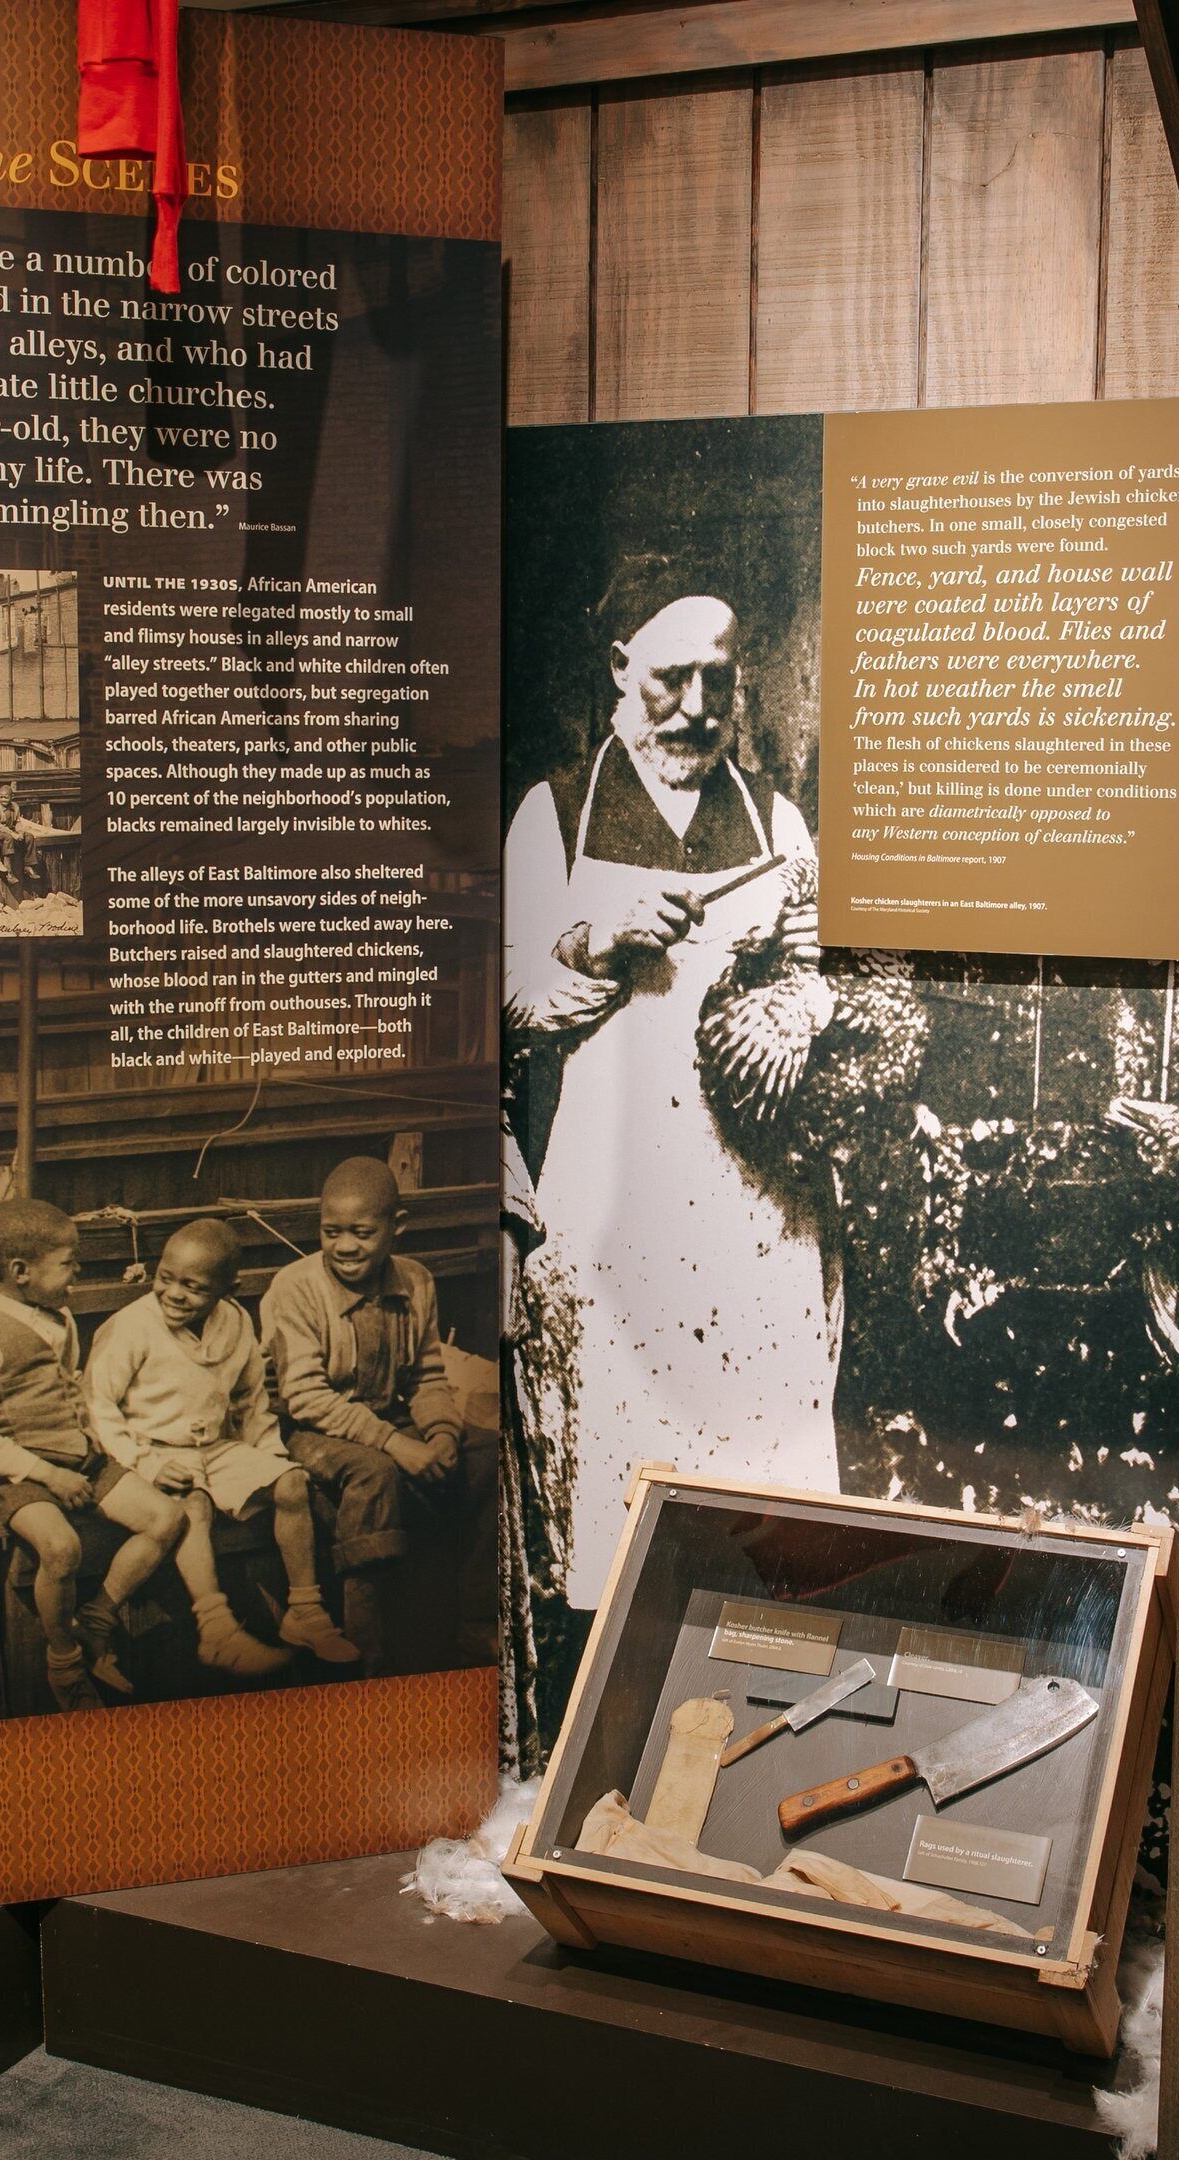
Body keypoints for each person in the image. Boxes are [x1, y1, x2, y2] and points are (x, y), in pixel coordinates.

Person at [503, 586, 835, 1608]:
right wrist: (602, 942)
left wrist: (792, 1015)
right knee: (621, 1444)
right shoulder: (554, 814)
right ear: (617, 668)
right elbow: (508, 1002)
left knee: (758, 1446)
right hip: (612, 1180)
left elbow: (818, 969)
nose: (695, 708)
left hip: (749, 1188)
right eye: (669, 679)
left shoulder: (774, 818)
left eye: (718, 682)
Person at [0, 1196, 198, 1709]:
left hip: (80, 1461)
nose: (77, 1272)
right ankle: (64, 1662)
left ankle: (98, 1622)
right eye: (67, 1263)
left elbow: (71, 1392)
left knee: (167, 1519)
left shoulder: (59, 1316)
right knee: (62, 1549)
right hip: (19, 1477)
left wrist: (108, 1455)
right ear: (20, 1271)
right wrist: (48, 1474)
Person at [86, 1219, 342, 1674]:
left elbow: (250, 1399)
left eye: (194, 1287)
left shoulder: (236, 1321)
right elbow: (98, 1405)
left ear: (228, 1288)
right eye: (166, 1278)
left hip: (217, 1448)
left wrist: (268, 1456)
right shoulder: (130, 1327)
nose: (174, 1294)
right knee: (193, 1504)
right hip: (156, 1450)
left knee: (291, 1484)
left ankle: (305, 1609)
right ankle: (217, 1629)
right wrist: (142, 1464)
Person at [260, 1157, 483, 1669]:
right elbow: (305, 1398)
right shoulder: (295, 1287)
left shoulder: (417, 1282)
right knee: (376, 1473)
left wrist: (443, 1433)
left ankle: (476, 1625)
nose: (343, 1246)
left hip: (384, 1420)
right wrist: (397, 1445)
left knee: (485, 1455)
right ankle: (366, 1645)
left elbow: (427, 1377)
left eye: (361, 1233)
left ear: (396, 1227)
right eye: (330, 1231)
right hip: (309, 1430)